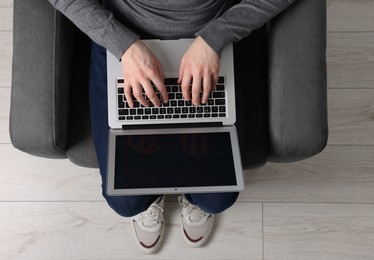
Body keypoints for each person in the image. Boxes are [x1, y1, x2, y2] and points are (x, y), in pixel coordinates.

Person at [48, 0, 295, 254]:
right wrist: (123, 44)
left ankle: (190, 195)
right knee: (126, 202)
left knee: (216, 199)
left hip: (209, 44)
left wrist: (216, 36)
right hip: (124, 39)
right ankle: (153, 195)